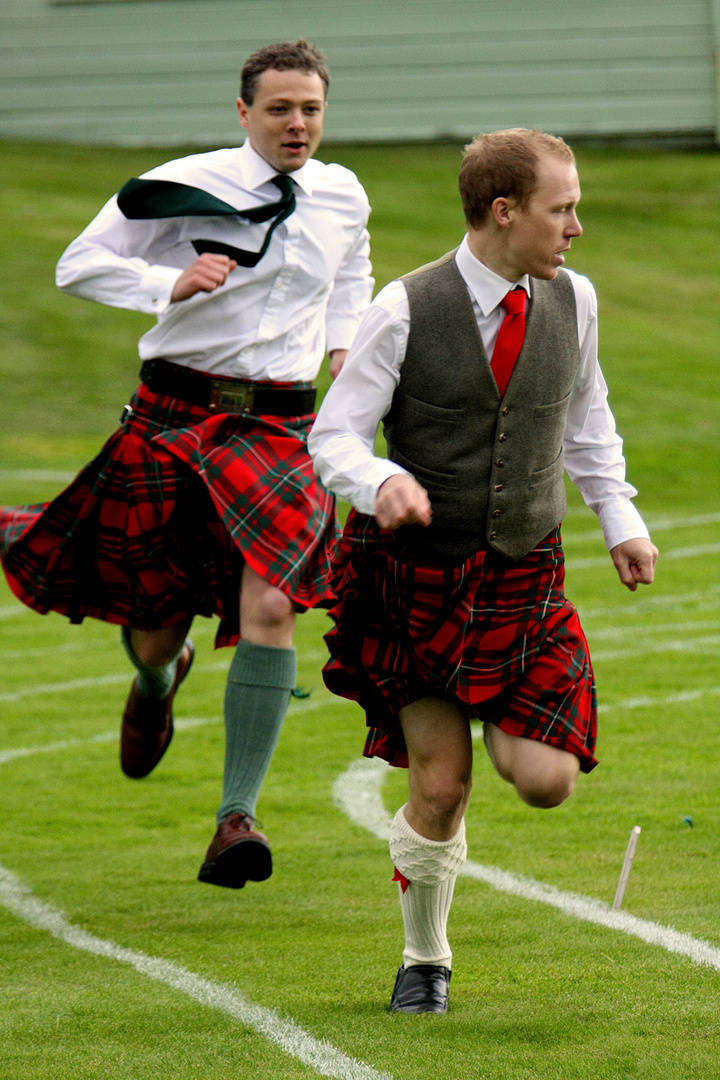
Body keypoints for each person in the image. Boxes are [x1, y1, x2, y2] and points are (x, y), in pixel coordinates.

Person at [0, 39, 373, 890]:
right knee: (158, 623)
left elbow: (351, 274)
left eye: (310, 108)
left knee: (274, 601)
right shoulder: (183, 186)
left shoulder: (342, 194)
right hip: (174, 416)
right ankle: (158, 677)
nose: (297, 124)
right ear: (244, 113)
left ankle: (234, 817)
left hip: (281, 428)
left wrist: (348, 345)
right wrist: (162, 286)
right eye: (279, 108)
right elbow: (77, 264)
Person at [308, 128, 658, 1013]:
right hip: (414, 578)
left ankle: (477, 790)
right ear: (506, 212)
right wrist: (381, 479)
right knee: (442, 783)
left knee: (545, 783)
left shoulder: (574, 302)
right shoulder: (404, 307)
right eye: (562, 208)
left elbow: (587, 423)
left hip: (522, 576)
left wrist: (620, 520)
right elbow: (334, 437)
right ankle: (425, 961)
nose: (576, 227)